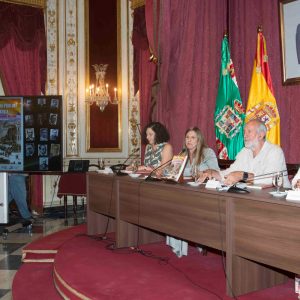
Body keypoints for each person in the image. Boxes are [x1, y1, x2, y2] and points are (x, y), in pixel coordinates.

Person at [166, 127, 220, 258]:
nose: (189, 140)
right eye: (187, 137)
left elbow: (216, 171)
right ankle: (178, 244)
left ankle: (197, 239)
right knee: (171, 203)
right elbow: (173, 172)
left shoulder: (207, 153)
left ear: (199, 140)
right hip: (185, 191)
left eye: (193, 138)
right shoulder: (182, 154)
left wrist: (204, 172)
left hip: (204, 194)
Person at [200, 119, 290, 188]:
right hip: (252, 197)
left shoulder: (275, 151)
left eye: (249, 131)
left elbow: (271, 179)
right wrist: (213, 173)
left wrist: (242, 175)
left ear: (261, 135)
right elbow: (230, 173)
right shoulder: (245, 151)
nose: (245, 135)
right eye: (244, 132)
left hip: (279, 200)